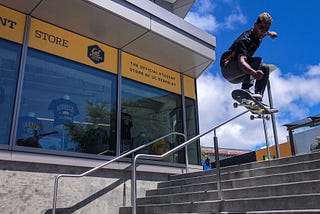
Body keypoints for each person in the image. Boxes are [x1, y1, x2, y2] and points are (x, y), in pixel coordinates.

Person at [220, 12, 278, 101]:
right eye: (261, 28)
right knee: (258, 61)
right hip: (229, 69)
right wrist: (253, 73)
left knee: (265, 68)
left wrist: (270, 34)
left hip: (238, 76)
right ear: (255, 25)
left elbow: (264, 32)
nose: (262, 31)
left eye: (266, 29)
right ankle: (245, 89)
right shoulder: (245, 40)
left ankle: (258, 95)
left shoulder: (261, 33)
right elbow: (242, 61)